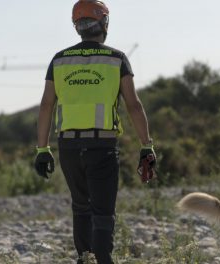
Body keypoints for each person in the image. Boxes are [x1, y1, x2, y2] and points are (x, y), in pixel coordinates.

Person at [34, 1, 155, 263]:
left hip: (68, 148)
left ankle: (85, 258)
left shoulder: (59, 59)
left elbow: (45, 105)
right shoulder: (116, 59)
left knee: (81, 207)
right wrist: (146, 145)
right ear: (104, 23)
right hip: (102, 145)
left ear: (77, 26)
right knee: (102, 211)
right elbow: (134, 105)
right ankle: (102, 260)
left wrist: (42, 149)